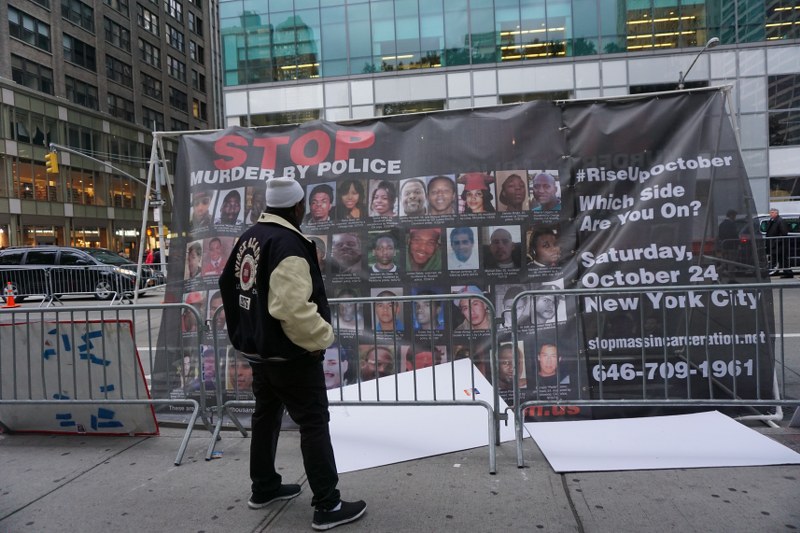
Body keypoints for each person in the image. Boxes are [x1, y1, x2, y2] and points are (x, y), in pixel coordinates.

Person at [217, 176, 366, 528]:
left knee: (265, 418)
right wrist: (322, 338)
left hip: (261, 354)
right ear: (298, 207)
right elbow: (292, 310)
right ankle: (328, 505)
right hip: (291, 357)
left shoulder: (249, 238)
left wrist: (245, 333)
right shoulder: (288, 243)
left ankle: (264, 487)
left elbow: (227, 285)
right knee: (313, 423)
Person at [766, 207, 792, 278]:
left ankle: (787, 273)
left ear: (776, 213)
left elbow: (784, 233)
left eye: (772, 212)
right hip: (774, 244)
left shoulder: (780, 221)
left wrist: (776, 242)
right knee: (778, 259)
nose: (770, 214)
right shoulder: (771, 221)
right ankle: (787, 273)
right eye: (770, 212)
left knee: (782, 259)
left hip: (779, 245)